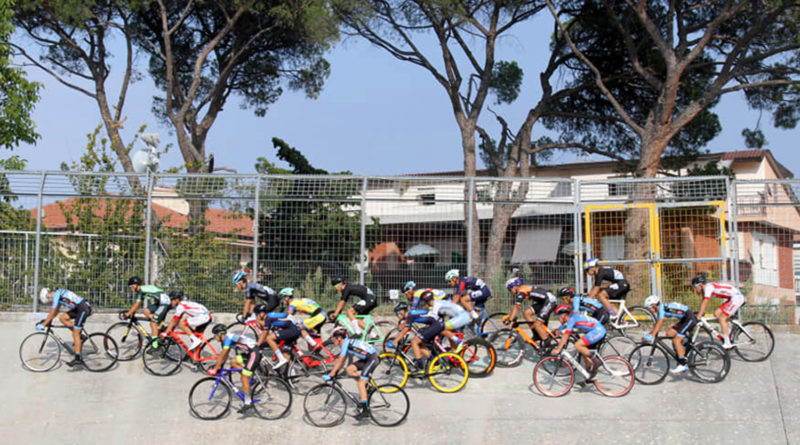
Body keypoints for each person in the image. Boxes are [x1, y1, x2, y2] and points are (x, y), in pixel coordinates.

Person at [323, 328, 380, 420]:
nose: (333, 341)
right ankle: (366, 384)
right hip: (367, 358)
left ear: (339, 338)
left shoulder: (345, 344)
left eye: (333, 339)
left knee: (360, 383)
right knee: (349, 370)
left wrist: (331, 374)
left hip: (372, 358)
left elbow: (341, 360)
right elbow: (342, 362)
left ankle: (365, 411)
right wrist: (335, 371)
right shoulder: (346, 343)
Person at [206, 323, 261, 412]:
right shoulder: (228, 338)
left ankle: (248, 402)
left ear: (220, 334)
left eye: (215, 335)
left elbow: (222, 354)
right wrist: (220, 366)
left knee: (243, 377)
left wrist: (215, 369)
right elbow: (225, 355)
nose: (214, 338)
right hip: (250, 352)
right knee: (233, 362)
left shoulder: (228, 338)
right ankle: (249, 378)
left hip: (254, 353)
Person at [388, 292, 444, 373]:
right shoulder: (410, 314)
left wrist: (395, 341)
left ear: (402, 312)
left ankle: (420, 367)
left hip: (436, 324)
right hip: (436, 323)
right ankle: (436, 363)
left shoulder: (410, 315)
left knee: (414, 341)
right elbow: (407, 324)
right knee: (420, 345)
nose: (397, 316)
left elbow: (406, 329)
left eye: (397, 314)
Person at [37, 288, 92, 367]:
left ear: (48, 296)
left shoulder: (56, 295)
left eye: (49, 301)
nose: (50, 302)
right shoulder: (58, 294)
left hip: (82, 308)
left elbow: (52, 312)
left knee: (75, 334)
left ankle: (78, 359)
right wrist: (47, 321)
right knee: (62, 318)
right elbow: (56, 312)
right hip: (79, 307)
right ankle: (79, 335)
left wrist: (43, 325)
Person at [641, 295, 697, 373]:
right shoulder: (661, 308)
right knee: (669, 333)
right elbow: (656, 325)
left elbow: (659, 324)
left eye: (649, 308)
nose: (649, 310)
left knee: (676, 340)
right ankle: (685, 345)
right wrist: (650, 334)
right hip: (685, 319)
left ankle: (683, 364)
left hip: (689, 319)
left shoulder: (662, 310)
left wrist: (651, 336)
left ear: (653, 305)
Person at [551, 304, 606, 382]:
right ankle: (589, 375)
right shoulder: (572, 318)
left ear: (563, 316)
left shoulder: (571, 320)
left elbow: (565, 336)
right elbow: (565, 329)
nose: (558, 320)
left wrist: (558, 349)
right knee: (583, 352)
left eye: (558, 317)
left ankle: (595, 361)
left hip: (598, 330)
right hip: (596, 330)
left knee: (578, 345)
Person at [691, 273, 744, 349]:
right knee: (717, 313)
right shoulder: (706, 288)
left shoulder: (708, 288)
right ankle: (729, 326)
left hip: (737, 298)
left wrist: (699, 315)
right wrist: (700, 312)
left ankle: (727, 343)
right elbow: (703, 303)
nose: (695, 289)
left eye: (695, 287)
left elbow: (705, 303)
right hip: (732, 298)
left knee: (722, 318)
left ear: (701, 285)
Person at [504, 278, 557, 345]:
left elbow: (516, 307)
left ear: (514, 287)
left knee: (537, 324)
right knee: (526, 313)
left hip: (549, 301)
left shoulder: (521, 291)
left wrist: (510, 319)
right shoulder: (523, 289)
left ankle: (548, 344)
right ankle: (536, 335)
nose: (510, 292)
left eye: (509, 289)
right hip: (544, 301)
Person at [122, 276, 171, 348]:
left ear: (136, 285)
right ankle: (158, 324)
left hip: (164, 303)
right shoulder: (143, 290)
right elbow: (138, 304)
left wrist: (128, 314)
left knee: (152, 323)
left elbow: (136, 304)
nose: (130, 288)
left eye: (131, 286)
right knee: (146, 311)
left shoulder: (141, 290)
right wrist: (132, 311)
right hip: (161, 302)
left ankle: (155, 346)